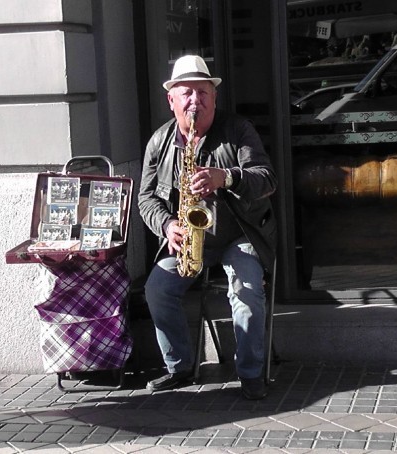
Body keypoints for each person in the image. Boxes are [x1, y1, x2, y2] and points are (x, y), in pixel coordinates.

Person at [138, 55, 278, 400]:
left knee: (246, 289)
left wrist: (226, 177)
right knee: (157, 289)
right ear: (171, 100)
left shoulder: (237, 130)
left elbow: (267, 179)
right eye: (186, 94)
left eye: (202, 93)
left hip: (238, 234)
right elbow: (144, 198)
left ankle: (250, 374)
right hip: (189, 239)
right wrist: (167, 225)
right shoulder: (160, 141)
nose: (194, 102)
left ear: (214, 98)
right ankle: (179, 366)